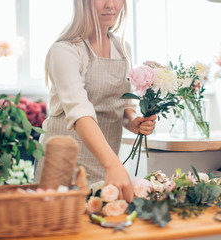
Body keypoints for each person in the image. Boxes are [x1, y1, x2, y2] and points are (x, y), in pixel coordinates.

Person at [34, 0, 156, 203]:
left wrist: (133, 121)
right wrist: (113, 164)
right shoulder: (65, 50)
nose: (111, 5)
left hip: (105, 166)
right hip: (63, 169)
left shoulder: (123, 48)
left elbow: (123, 104)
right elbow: (80, 112)